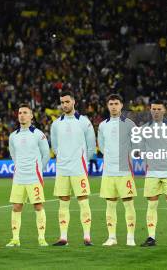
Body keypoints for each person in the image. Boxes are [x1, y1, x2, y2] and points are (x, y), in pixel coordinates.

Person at [50, 91, 96, 246]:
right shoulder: (56, 124)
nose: (64, 105)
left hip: (78, 168)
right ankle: (63, 237)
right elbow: (54, 146)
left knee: (83, 200)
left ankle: (87, 237)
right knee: (63, 201)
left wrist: (83, 162)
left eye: (67, 102)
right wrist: (63, 157)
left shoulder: (84, 122)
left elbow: (91, 146)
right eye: (62, 102)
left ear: (74, 102)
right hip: (62, 169)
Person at [138, 99, 167, 247]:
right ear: (150, 110)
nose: (156, 111)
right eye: (153, 109)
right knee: (152, 206)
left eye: (159, 109)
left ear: (164, 111)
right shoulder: (144, 129)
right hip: (152, 172)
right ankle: (151, 237)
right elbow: (142, 149)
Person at [5, 103, 51, 247]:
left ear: (31, 116)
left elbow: (46, 155)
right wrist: (19, 166)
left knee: (38, 206)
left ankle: (42, 238)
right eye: (20, 113)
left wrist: (38, 169)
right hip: (19, 177)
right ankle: (15, 239)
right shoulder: (13, 136)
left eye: (25, 112)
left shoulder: (38, 134)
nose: (22, 115)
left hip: (34, 177)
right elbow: (13, 154)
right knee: (16, 207)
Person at [98, 94, 137, 246]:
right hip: (108, 171)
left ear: (121, 106)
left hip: (124, 170)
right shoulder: (102, 125)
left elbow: (136, 144)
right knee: (110, 204)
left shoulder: (130, 124)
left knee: (128, 203)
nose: (113, 106)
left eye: (116, 103)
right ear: (107, 106)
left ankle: (130, 237)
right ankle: (112, 237)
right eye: (111, 104)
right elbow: (101, 146)